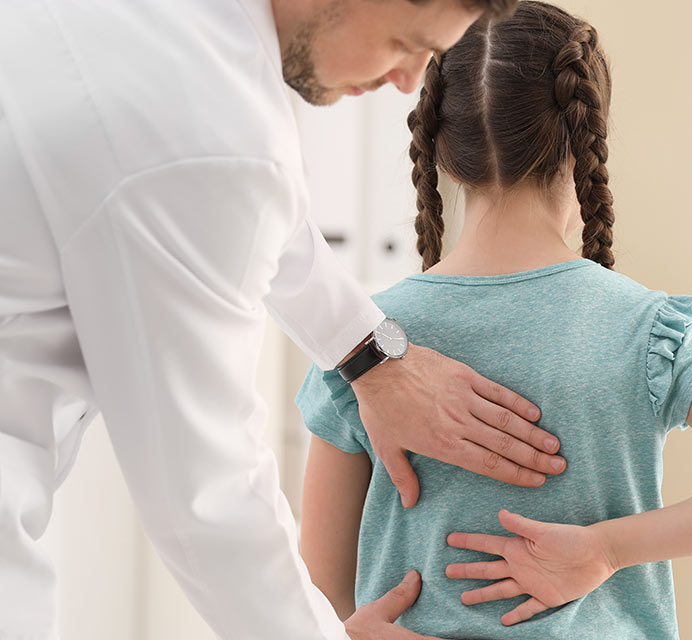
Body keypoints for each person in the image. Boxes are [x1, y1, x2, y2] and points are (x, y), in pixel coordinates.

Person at [0, 1, 574, 638]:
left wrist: (371, 353)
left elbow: (233, 206)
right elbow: (209, 504)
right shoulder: (213, 132)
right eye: (405, 43)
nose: (409, 81)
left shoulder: (188, 71)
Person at [296, 2, 692, 638]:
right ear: (583, 144)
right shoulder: (646, 331)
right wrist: (606, 548)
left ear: (438, 147)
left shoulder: (364, 345)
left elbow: (313, 596)